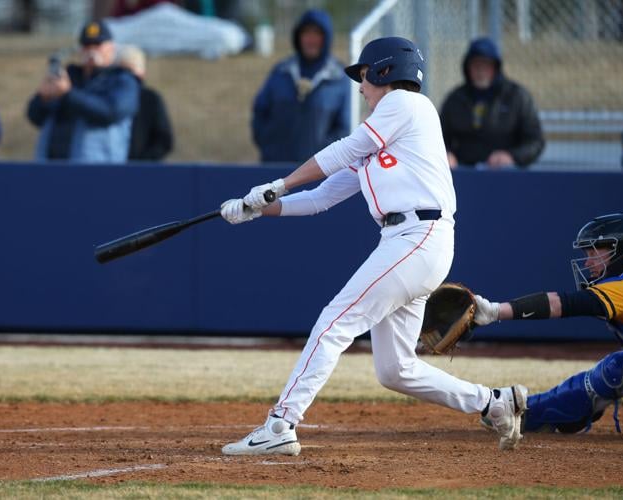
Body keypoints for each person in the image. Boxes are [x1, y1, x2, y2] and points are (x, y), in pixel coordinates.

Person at [219, 37, 528, 456]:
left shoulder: (406, 104)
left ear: (386, 72)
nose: (360, 86)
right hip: (410, 241)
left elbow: (344, 148)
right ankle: (493, 403)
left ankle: (281, 423)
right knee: (395, 369)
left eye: (364, 76)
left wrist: (279, 183)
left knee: (334, 321)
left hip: (418, 237)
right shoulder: (382, 138)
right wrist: (259, 209)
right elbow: (320, 199)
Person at [473, 213, 623, 440]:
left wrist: (494, 311)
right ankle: (532, 412)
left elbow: (561, 304)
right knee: (619, 368)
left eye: (595, 252)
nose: (588, 262)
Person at [26, 20, 139, 162]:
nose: (91, 50)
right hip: (52, 167)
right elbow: (35, 117)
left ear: (111, 48)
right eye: (86, 45)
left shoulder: (122, 80)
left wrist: (69, 94)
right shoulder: (68, 76)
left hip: (99, 170)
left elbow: (110, 112)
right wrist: (43, 98)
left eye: (98, 45)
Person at [251, 9, 350, 163]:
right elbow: (260, 110)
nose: (311, 40)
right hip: (274, 170)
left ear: (327, 38)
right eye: (306, 33)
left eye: (317, 33)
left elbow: (344, 128)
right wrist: (269, 146)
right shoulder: (281, 71)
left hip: (319, 176)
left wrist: (323, 158)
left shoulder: (339, 79)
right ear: (298, 37)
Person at [439, 37, 544, 169]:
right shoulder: (455, 99)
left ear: (496, 68)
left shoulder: (516, 97)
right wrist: (446, 155)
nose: (480, 70)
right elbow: (439, 137)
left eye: (486, 65)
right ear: (467, 67)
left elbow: (535, 142)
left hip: (505, 174)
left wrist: (512, 156)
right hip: (463, 171)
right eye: (476, 65)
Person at [116, 45, 174, 161]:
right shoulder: (108, 99)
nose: (126, 77)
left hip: (144, 171)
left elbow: (164, 140)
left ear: (142, 71)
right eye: (122, 71)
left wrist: (142, 163)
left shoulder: (151, 99)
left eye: (131, 71)